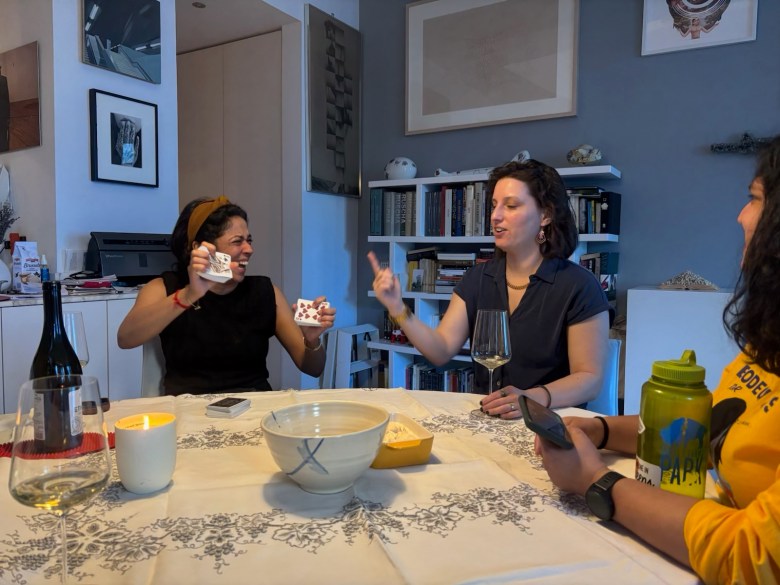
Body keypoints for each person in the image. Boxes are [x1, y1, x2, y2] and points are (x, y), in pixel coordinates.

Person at [537, 136, 780, 585]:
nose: (741, 216)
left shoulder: (577, 285)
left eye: (755, 198)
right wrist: (601, 429)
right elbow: (709, 429)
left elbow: (754, 556)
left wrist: (595, 482)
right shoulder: (768, 346)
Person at [368, 159, 611, 413]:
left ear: (545, 215)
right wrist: (397, 307)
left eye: (511, 205)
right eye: (494, 205)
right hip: (488, 420)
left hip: (551, 423)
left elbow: (589, 379)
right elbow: (441, 350)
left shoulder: (579, 286)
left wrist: (530, 398)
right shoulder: (477, 279)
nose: (495, 216)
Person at [118, 196, 336, 394]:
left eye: (249, 240)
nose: (249, 249)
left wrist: (312, 341)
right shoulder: (163, 288)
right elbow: (125, 339)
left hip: (253, 406)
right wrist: (189, 295)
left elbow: (313, 368)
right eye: (237, 241)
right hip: (189, 409)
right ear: (201, 248)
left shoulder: (265, 292)